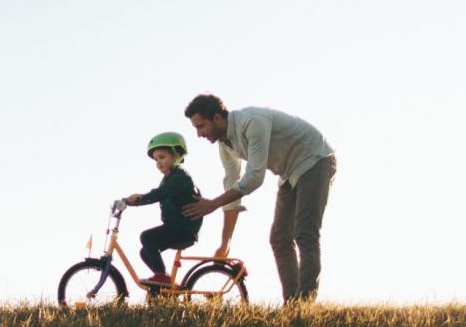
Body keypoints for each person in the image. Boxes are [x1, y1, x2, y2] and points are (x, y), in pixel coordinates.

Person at [180, 93, 336, 303]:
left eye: (201, 126)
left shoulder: (252, 122)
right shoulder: (225, 145)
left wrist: (213, 204)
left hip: (314, 159)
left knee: (305, 232)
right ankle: (292, 305)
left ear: (217, 118)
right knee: (279, 238)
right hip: (289, 173)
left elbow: (254, 178)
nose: (199, 134)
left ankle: (305, 303)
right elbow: (232, 187)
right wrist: (225, 244)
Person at [123, 132, 204, 288]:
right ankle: (163, 285)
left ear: (177, 155)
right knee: (145, 252)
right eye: (156, 160)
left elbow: (160, 194)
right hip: (176, 227)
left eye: (162, 157)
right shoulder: (169, 178)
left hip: (184, 229)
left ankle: (162, 277)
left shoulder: (180, 177)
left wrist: (140, 199)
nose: (158, 162)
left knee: (147, 237)